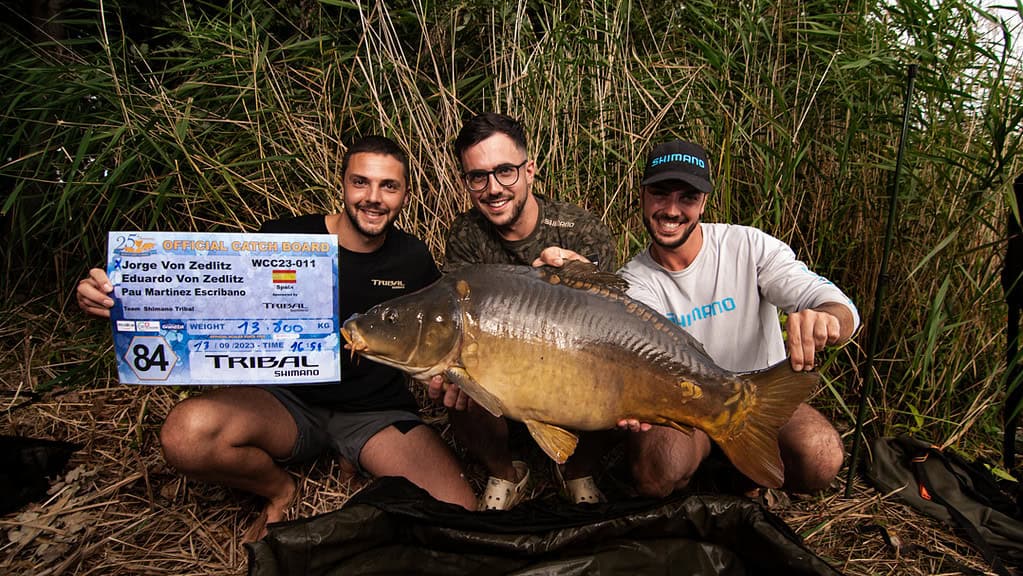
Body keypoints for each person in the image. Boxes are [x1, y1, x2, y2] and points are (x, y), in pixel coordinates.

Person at [76, 135, 476, 540]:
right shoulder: (283, 238)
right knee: (185, 436)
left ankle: (354, 452)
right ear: (342, 184)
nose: (373, 197)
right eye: (361, 182)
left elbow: (440, 336)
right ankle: (280, 489)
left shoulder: (413, 257)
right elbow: (205, 297)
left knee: (460, 510)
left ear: (405, 194)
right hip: (285, 401)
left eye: (389, 186)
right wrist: (116, 293)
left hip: (374, 412)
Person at [617, 139, 860, 497]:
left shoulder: (748, 246)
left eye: (687, 197)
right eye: (660, 194)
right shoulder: (633, 281)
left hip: (757, 398)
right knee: (659, 470)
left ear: (703, 202)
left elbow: (833, 303)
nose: (671, 209)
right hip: (685, 408)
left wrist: (827, 319)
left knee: (820, 457)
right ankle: (708, 466)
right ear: (642, 196)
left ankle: (739, 476)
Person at [427, 112, 618, 510]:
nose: (493, 188)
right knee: (458, 371)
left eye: (505, 172)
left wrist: (582, 279)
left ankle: (576, 469)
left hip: (569, 364)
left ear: (530, 170)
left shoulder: (581, 229)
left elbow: (613, 322)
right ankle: (506, 471)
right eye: (477, 176)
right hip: (503, 373)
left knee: (611, 367)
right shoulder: (465, 235)